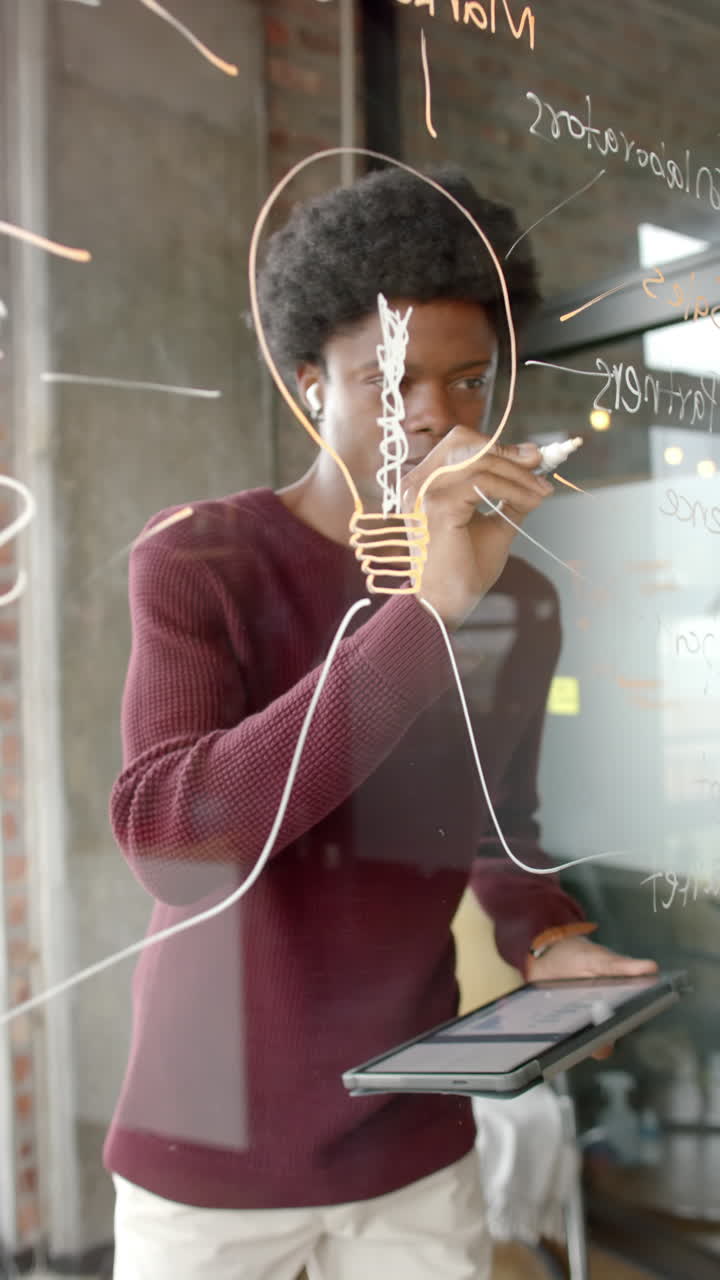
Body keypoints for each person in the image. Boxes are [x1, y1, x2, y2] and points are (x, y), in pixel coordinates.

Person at [104, 166, 656, 1279]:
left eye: (469, 380)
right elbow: (173, 843)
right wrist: (425, 612)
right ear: (311, 383)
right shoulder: (200, 560)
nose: (436, 416)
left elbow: (494, 823)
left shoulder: (518, 597)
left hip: (409, 1126)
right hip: (208, 1135)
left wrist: (547, 935)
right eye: (390, 380)